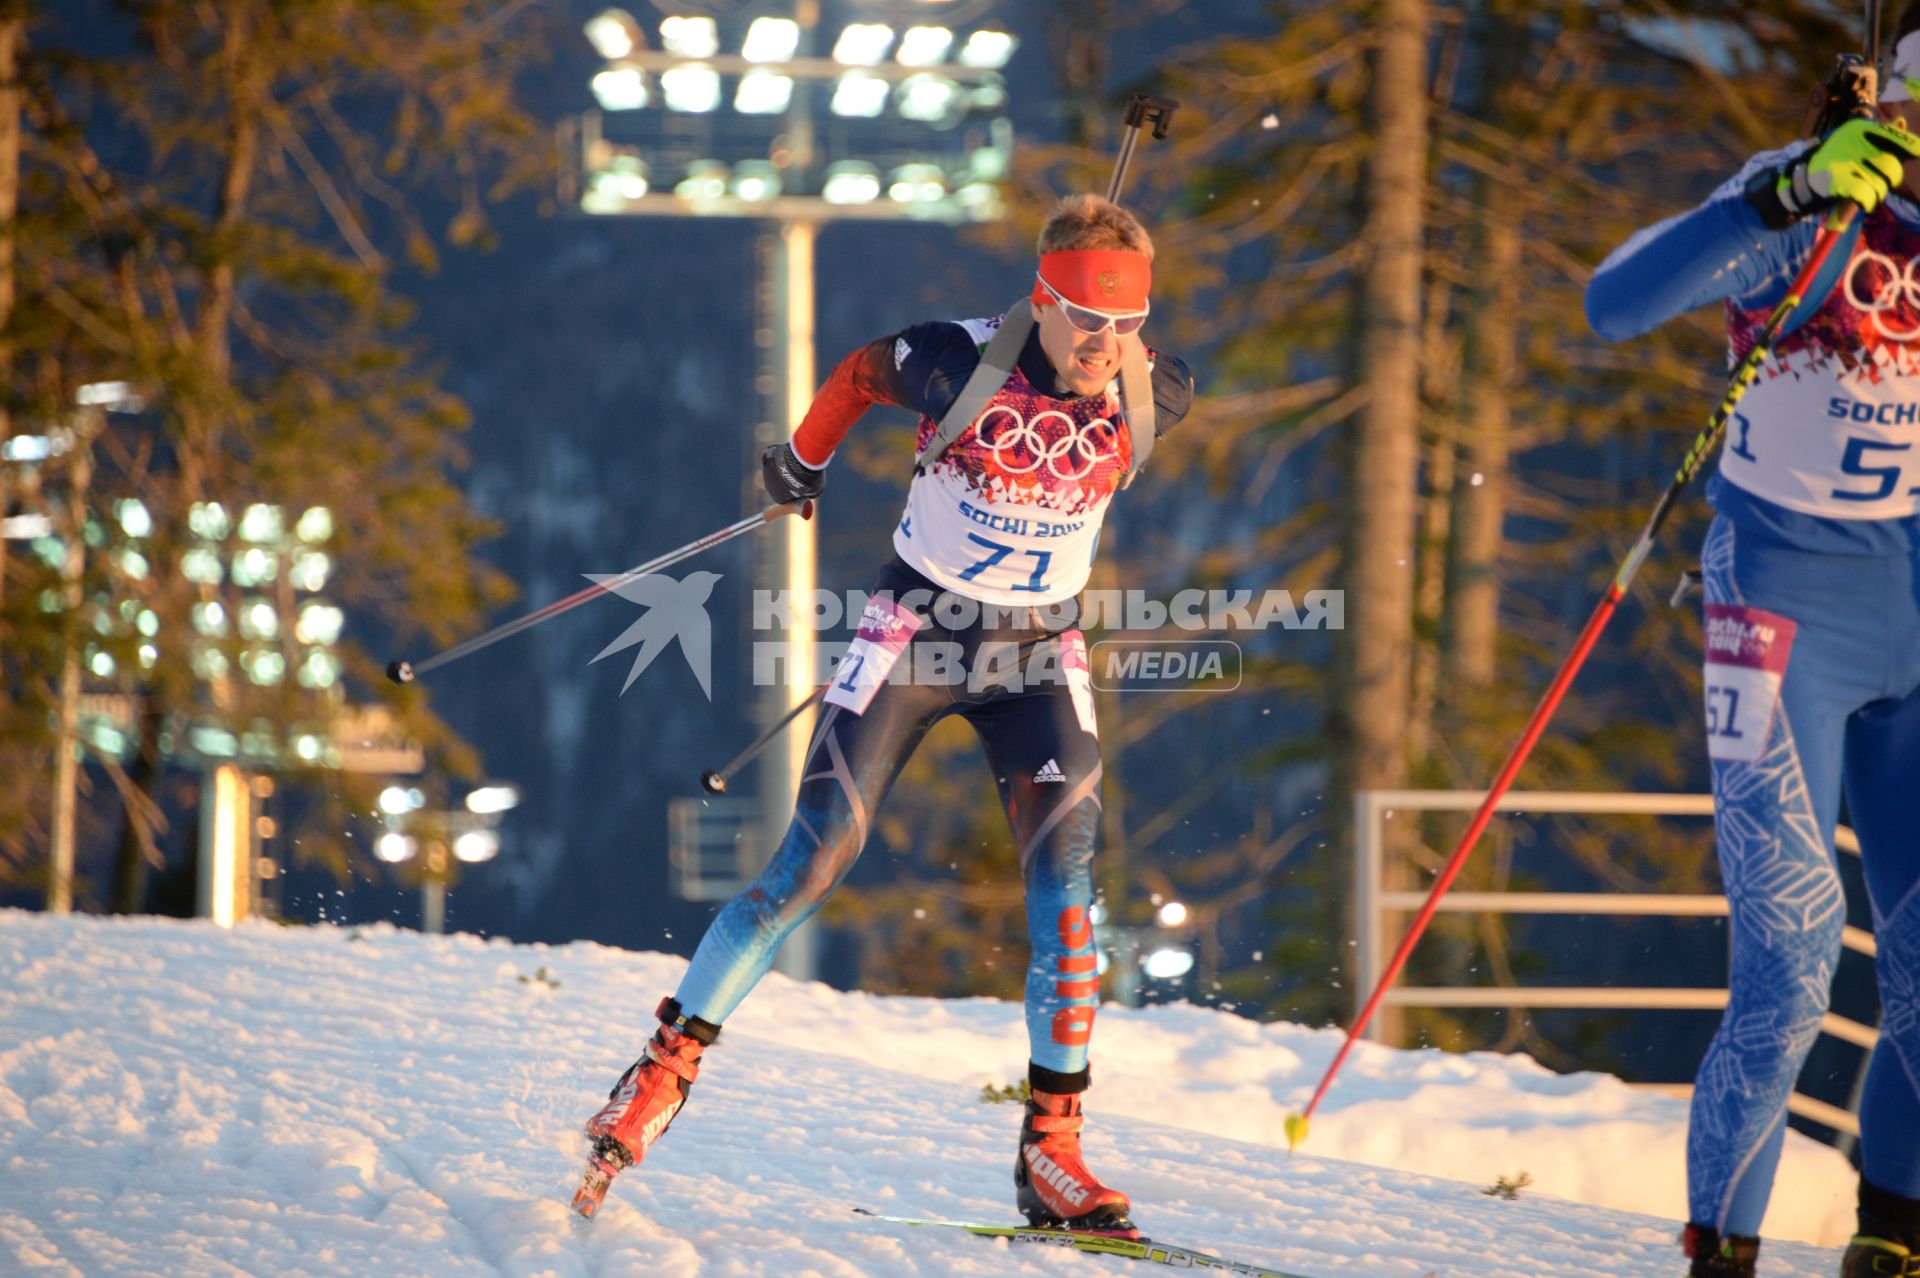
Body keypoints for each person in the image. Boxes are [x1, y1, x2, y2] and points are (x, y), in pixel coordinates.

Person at [572, 194, 1194, 1232]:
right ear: (1040, 299)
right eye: (1087, 319)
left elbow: (1116, 387)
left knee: (1069, 890)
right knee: (813, 860)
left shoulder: (1157, 388)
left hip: (1040, 655)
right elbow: (861, 372)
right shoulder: (956, 357)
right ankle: (657, 1077)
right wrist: (801, 463)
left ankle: (1054, 1153)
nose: (1105, 345)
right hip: (914, 639)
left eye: (1126, 324)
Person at [1585, 19, 1920, 1278]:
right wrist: (1781, 190)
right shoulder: (1806, 193)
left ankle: (1893, 1238)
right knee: (1789, 966)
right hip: (1781, 606)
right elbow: (1616, 304)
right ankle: (1721, 1252)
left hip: (1915, 607)